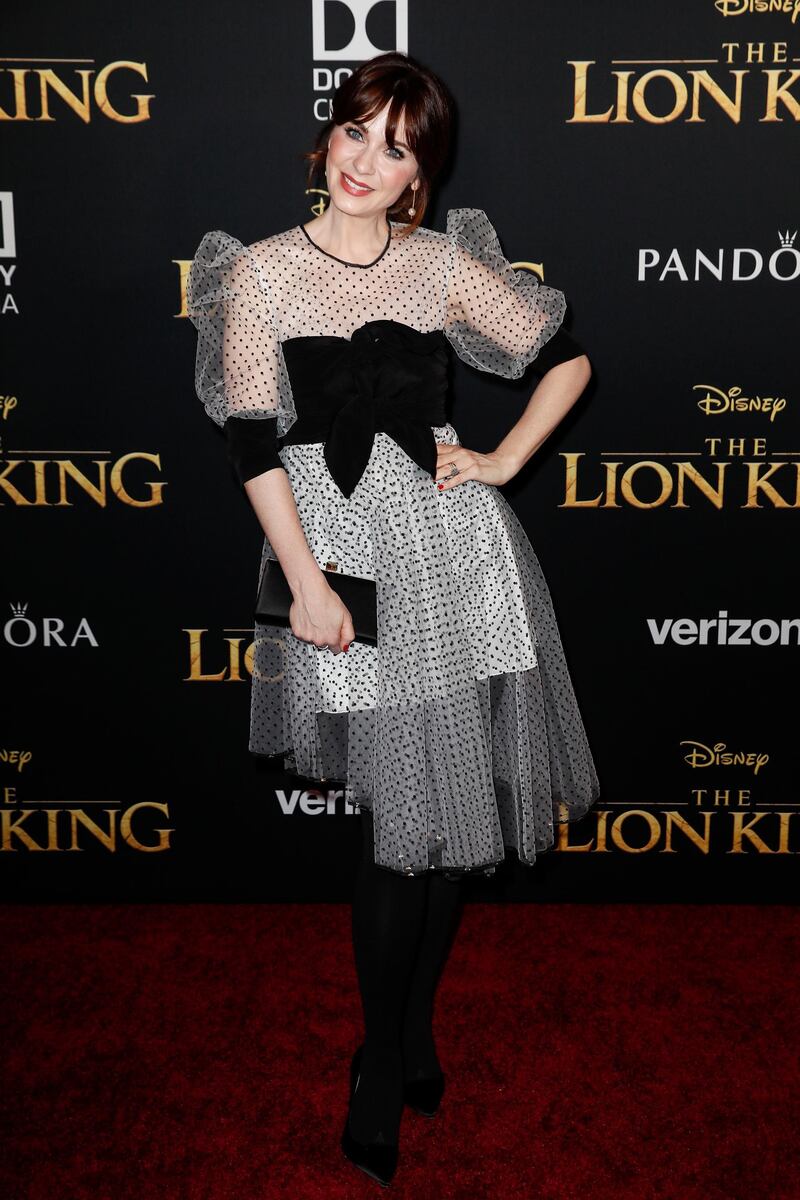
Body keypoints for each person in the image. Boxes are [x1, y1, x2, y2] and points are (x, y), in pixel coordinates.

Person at [188, 50, 600, 1189]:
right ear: (326, 138)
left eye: (397, 146)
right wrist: (306, 579)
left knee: (450, 804)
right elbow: (250, 444)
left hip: (453, 551)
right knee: (396, 824)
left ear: (421, 174)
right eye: (356, 132)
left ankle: (412, 1027)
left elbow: (563, 360)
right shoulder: (259, 273)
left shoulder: (438, 266)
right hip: (347, 564)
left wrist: (503, 460)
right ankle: (379, 1059)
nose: (368, 161)